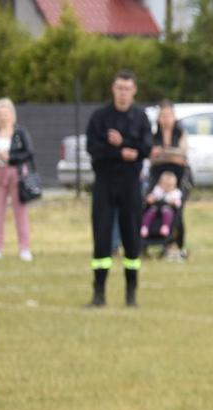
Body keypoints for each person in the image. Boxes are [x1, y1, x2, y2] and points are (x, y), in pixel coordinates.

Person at [84, 68, 153, 308]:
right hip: (104, 184)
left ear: (134, 90)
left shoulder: (140, 118)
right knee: (102, 238)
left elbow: (145, 149)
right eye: (119, 88)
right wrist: (119, 152)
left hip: (130, 186)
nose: (123, 93)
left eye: (127, 89)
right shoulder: (100, 117)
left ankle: (131, 295)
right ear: (113, 89)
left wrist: (124, 143)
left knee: (132, 238)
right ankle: (98, 294)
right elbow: (93, 149)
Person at [0, 98, 35, 262]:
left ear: (11, 114)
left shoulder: (19, 133)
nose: (2, 117)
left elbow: (29, 152)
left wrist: (11, 157)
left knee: (20, 212)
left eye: (5, 113)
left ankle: (24, 248)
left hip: (16, 174)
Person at [147, 100, 190, 260]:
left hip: (179, 177)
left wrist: (163, 154)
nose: (166, 119)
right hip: (158, 178)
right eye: (163, 116)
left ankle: (176, 244)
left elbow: (182, 157)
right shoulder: (154, 136)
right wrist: (170, 155)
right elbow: (151, 157)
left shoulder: (180, 134)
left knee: (176, 210)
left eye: (169, 115)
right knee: (153, 206)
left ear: (174, 117)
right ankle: (151, 241)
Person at [140, 171, 183, 240]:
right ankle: (144, 227)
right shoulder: (157, 190)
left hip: (167, 209)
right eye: (164, 185)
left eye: (169, 185)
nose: (167, 187)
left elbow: (178, 203)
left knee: (168, 214)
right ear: (160, 184)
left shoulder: (175, 193)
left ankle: (165, 226)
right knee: (148, 214)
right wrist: (150, 199)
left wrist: (174, 203)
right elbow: (152, 196)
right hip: (155, 209)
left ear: (174, 185)